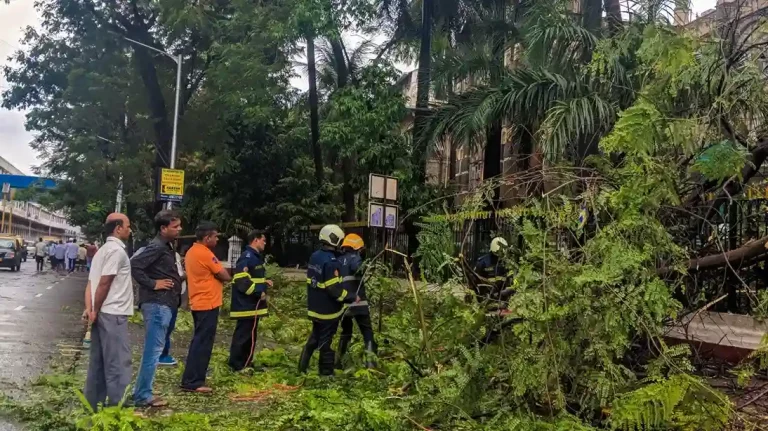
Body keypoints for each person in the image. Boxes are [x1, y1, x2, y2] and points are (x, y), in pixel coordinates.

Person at [130, 210, 182, 408]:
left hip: (164, 303)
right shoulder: (157, 246)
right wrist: (153, 284)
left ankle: (143, 391)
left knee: (155, 349)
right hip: (157, 304)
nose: (179, 229)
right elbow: (135, 265)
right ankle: (143, 395)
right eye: (175, 226)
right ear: (163, 228)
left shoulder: (166, 246)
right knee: (154, 351)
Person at [83, 213, 133, 411]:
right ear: (118, 228)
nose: (130, 229)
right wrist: (93, 309)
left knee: (98, 362)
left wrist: (91, 309)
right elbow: (104, 282)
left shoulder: (102, 251)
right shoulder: (116, 252)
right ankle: (118, 408)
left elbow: (90, 284)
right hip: (113, 313)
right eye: (128, 225)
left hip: (102, 312)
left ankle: (92, 404)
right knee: (118, 363)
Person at [299, 225, 359, 376]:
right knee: (326, 342)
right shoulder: (331, 262)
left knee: (315, 337)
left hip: (314, 308)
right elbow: (334, 290)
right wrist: (351, 297)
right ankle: (326, 374)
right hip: (328, 311)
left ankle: (302, 367)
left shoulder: (315, 256)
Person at [180, 222, 231, 392]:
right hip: (207, 302)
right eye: (215, 236)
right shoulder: (204, 253)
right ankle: (193, 381)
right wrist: (222, 275)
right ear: (207, 237)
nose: (217, 239)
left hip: (200, 301)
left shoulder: (192, 251)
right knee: (202, 342)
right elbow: (224, 275)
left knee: (200, 340)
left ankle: (196, 375)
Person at [228, 230, 271, 371]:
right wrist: (258, 292)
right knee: (243, 336)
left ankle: (246, 362)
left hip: (252, 305)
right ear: (255, 240)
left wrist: (265, 282)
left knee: (250, 335)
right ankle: (237, 365)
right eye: (263, 240)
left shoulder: (255, 257)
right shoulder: (247, 257)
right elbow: (242, 280)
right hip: (246, 305)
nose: (265, 243)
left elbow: (253, 277)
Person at [336, 234, 377, 369]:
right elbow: (358, 268)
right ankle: (371, 363)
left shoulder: (338, 260)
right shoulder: (355, 258)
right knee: (367, 332)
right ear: (357, 248)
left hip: (343, 303)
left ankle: (339, 361)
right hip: (358, 303)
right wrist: (367, 267)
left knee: (346, 332)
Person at [157, 250, 185, 367]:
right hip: (167, 296)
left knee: (168, 327)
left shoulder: (175, 254)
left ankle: (162, 354)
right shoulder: (159, 252)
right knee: (165, 327)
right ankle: (161, 355)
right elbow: (175, 276)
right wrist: (185, 275)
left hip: (175, 295)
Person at [472, 237, 512, 303]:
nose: (500, 253)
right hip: (485, 299)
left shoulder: (507, 263)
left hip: (503, 299)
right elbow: (475, 281)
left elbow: (510, 279)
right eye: (499, 251)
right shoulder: (483, 262)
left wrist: (509, 290)